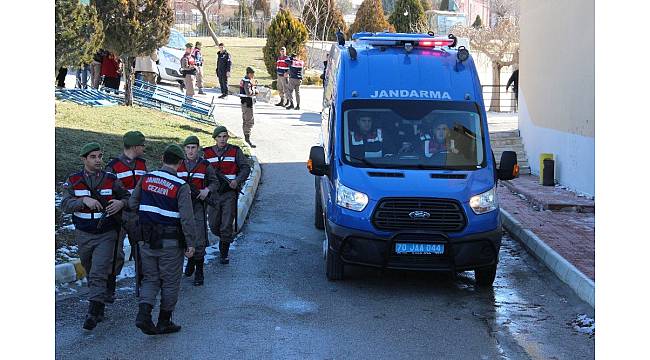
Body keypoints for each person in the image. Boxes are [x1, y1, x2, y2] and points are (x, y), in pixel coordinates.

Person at [60, 142, 130, 331]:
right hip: (84, 233)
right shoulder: (73, 180)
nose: (98, 160)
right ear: (84, 159)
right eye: (93, 157)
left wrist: (120, 203)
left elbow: (127, 197)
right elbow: (65, 204)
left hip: (106, 232)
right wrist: (83, 200)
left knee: (99, 270)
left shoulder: (111, 179)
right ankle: (99, 306)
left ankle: (92, 312)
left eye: (100, 156)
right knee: (90, 269)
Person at [130, 144, 197, 335]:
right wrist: (191, 243)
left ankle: (143, 315)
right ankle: (164, 321)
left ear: (162, 158)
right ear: (180, 163)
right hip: (170, 241)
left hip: (146, 239)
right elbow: (187, 218)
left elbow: (133, 203)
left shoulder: (146, 178)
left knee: (151, 278)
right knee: (170, 281)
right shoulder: (180, 186)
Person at [104, 131, 147, 300]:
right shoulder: (113, 166)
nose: (144, 148)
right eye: (142, 145)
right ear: (135, 146)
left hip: (138, 215)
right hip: (119, 216)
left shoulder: (143, 164)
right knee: (116, 252)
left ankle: (143, 284)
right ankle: (110, 287)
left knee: (142, 250)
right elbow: (108, 191)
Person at [204, 126, 251, 264]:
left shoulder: (235, 151)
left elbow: (245, 167)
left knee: (226, 225)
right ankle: (225, 238)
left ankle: (224, 254)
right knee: (213, 225)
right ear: (215, 138)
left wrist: (237, 181)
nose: (222, 139)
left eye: (225, 136)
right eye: (219, 137)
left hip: (229, 193)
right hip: (213, 194)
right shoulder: (206, 153)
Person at [177, 135, 220, 286]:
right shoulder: (178, 164)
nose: (190, 151)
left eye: (193, 148)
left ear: (198, 148)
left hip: (198, 206)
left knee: (199, 238)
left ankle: (199, 270)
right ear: (184, 149)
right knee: (183, 235)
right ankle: (190, 261)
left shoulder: (204, 165)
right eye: (188, 148)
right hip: (180, 207)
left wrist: (206, 190)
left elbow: (215, 182)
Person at [239, 66, 259, 148]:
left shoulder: (245, 80)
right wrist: (256, 91)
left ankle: (246, 137)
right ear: (249, 73)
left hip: (245, 103)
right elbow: (249, 93)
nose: (253, 76)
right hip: (247, 103)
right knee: (249, 121)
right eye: (252, 74)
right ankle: (247, 139)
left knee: (246, 120)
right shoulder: (247, 81)